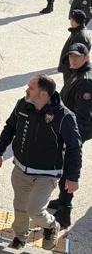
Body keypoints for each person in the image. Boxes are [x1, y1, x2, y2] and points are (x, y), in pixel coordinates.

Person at [0, 75, 82, 251]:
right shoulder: (22, 104)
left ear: (43, 94)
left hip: (46, 174)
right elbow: (10, 127)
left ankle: (51, 226)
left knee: (34, 210)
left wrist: (73, 177)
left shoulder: (64, 116)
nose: (26, 90)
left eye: (31, 88)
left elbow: (74, 147)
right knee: (20, 207)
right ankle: (20, 237)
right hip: (20, 169)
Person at [49, 43, 92, 228]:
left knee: (69, 169)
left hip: (73, 133)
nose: (72, 59)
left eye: (77, 56)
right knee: (64, 167)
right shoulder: (77, 72)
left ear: (86, 57)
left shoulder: (86, 81)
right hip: (67, 129)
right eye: (71, 56)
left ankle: (65, 211)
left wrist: (72, 140)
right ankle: (62, 200)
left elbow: (82, 117)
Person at [58, 10, 92, 82]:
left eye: (71, 19)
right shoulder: (78, 32)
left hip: (71, 71)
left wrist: (71, 70)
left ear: (74, 21)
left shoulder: (80, 36)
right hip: (70, 70)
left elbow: (77, 57)